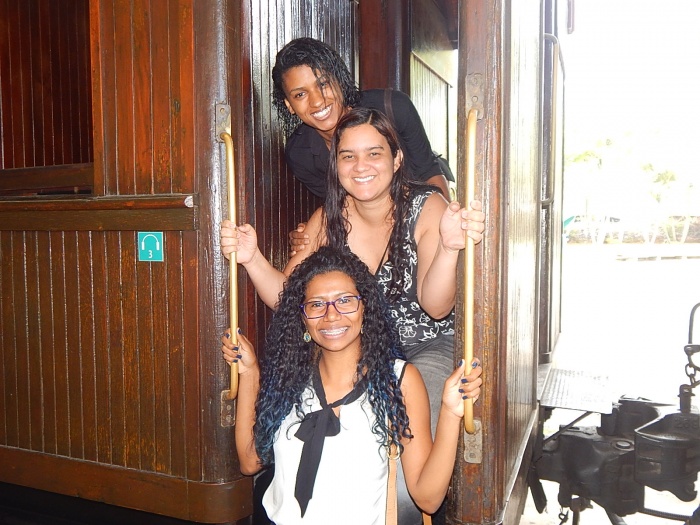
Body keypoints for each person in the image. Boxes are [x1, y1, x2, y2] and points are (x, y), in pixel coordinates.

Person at [221, 107, 484, 524]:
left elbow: (436, 306)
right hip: (353, 341)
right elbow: (289, 296)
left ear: (396, 160)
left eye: (374, 153)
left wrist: (451, 248)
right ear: (336, 165)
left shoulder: (427, 206)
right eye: (348, 156)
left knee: (405, 482)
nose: (361, 166)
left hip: (426, 343)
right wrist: (251, 258)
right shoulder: (330, 217)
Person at [221, 246, 482, 524]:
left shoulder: (398, 380)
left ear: (365, 307)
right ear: (303, 317)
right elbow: (250, 461)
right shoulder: (290, 376)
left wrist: (450, 413)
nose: (331, 315)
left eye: (345, 300)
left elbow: (427, 499)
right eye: (316, 304)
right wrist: (249, 373)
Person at [270, 37, 450, 253]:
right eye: (300, 94)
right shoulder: (301, 154)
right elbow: (340, 208)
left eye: (323, 84)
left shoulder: (394, 108)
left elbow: (430, 173)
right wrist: (309, 235)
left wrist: (446, 233)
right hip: (374, 238)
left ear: (339, 79)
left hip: (424, 218)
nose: (317, 101)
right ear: (289, 105)